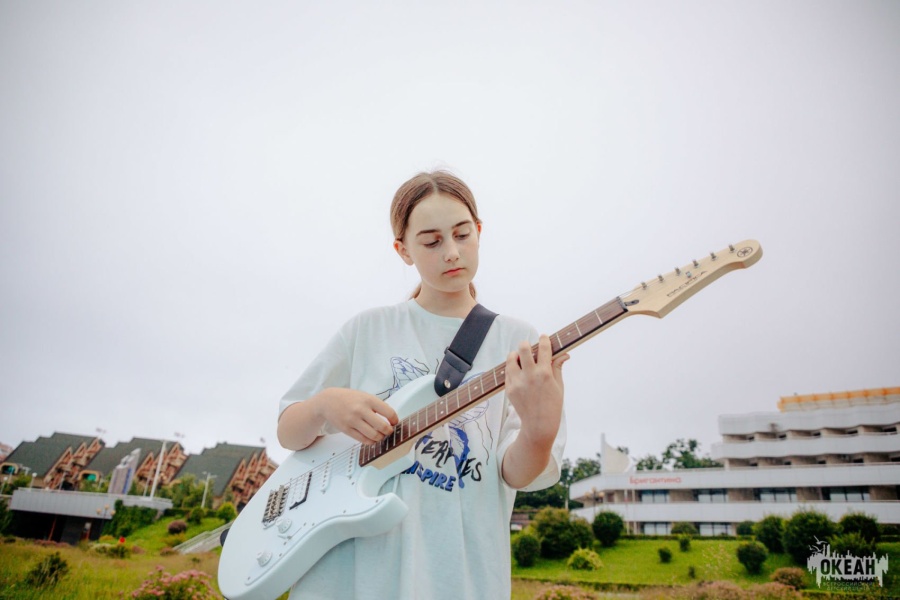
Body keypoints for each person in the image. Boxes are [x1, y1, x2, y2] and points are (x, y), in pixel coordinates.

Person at [276, 170, 569, 599]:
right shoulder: (368, 330)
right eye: (431, 242)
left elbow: (515, 474)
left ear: (479, 231)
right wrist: (324, 404)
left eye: (462, 235)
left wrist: (540, 432)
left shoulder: (518, 343)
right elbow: (288, 431)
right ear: (403, 250)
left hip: (460, 579)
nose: (451, 252)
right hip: (349, 579)